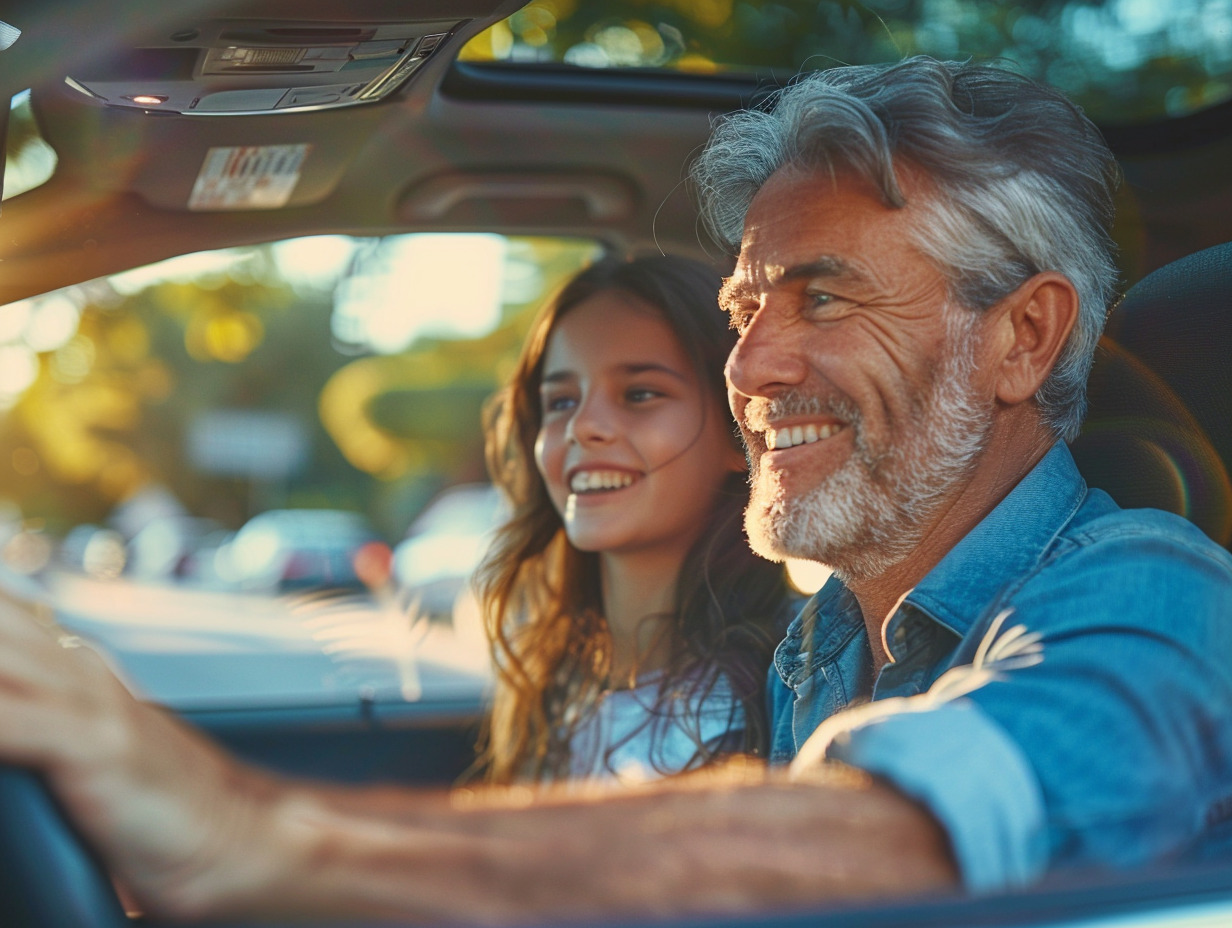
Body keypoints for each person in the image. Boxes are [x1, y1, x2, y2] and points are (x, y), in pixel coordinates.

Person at [1, 55, 1231, 924]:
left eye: (823, 297)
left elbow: (922, 829)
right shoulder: (821, 640)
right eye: (747, 309)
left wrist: (239, 837)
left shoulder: (1152, 588)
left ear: (1020, 338)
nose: (748, 365)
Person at [473, 255, 790, 784]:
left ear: (742, 429)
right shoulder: (550, 676)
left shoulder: (788, 687)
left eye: (641, 394)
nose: (583, 426)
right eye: (561, 401)